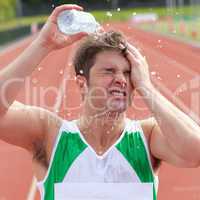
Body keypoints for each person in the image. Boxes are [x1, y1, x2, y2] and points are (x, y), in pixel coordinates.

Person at [0, 4, 200, 200]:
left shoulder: (148, 137)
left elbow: (195, 151)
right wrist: (42, 45)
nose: (121, 79)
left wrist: (146, 87)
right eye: (109, 71)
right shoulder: (50, 135)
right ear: (82, 83)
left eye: (128, 73)